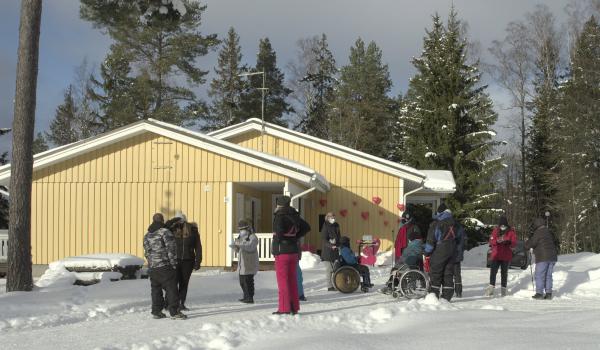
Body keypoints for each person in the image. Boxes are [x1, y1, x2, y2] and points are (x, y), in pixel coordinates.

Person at [143, 213, 187, 320]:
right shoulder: (165, 232)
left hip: (153, 267)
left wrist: (151, 263)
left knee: (156, 289)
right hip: (165, 265)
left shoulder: (147, 235)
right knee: (171, 288)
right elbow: (171, 249)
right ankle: (174, 312)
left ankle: (156, 311)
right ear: (162, 221)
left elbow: (147, 252)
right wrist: (173, 264)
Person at [272, 195, 311, 315]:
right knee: (292, 280)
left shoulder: (279, 216)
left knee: (283, 281)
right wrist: (295, 236)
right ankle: (294, 307)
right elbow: (307, 227)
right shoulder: (295, 215)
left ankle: (284, 308)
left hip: (282, 252)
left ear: (279, 205)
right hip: (294, 251)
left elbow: (279, 233)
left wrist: (282, 239)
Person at [424, 203, 464, 301]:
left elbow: (430, 241)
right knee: (448, 274)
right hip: (452, 251)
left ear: (440, 212)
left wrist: (427, 252)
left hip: (439, 251)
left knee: (436, 273)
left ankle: (433, 296)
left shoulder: (437, 224)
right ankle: (447, 297)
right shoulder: (456, 224)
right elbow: (461, 239)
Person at [166, 212, 202, 311]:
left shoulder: (192, 230)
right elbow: (164, 226)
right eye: (177, 220)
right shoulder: (171, 229)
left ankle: (181, 303)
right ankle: (171, 303)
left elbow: (198, 247)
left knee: (184, 283)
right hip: (175, 260)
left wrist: (198, 261)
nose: (180, 223)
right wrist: (173, 221)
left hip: (188, 261)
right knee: (173, 283)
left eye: (181, 220)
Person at [379, 228, 423, 294]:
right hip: (414, 267)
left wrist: (398, 264)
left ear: (411, 239)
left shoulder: (411, 247)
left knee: (395, 269)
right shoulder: (419, 245)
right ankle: (391, 286)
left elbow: (403, 258)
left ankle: (391, 286)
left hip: (409, 266)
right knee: (396, 269)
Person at [484, 216, 517, 297]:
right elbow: (491, 241)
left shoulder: (511, 232)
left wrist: (509, 242)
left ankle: (503, 289)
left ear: (506, 225)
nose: (503, 227)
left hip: (506, 256)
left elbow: (514, 243)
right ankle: (491, 288)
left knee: (504, 273)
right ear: (499, 225)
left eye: (504, 225)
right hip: (496, 255)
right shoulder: (495, 231)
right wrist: (497, 241)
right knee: (493, 272)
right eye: (501, 225)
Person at [526, 217, 558, 300]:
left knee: (539, 275)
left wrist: (527, 243)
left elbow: (532, 243)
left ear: (536, 225)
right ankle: (548, 293)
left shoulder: (538, 232)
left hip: (543, 257)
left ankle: (539, 293)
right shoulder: (549, 231)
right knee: (548, 276)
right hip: (552, 257)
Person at [230, 219, 259, 304]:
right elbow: (239, 248)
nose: (241, 231)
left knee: (248, 281)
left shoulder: (252, 237)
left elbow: (250, 246)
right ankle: (245, 296)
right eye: (240, 229)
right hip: (242, 263)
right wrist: (235, 247)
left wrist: (240, 245)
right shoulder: (240, 237)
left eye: (243, 229)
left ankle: (250, 297)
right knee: (242, 281)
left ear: (247, 228)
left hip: (249, 263)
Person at [321, 212, 340, 291]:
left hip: (335, 250)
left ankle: (335, 284)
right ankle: (329, 286)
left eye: (334, 216)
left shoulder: (337, 225)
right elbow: (324, 239)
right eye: (331, 217)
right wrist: (331, 245)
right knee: (329, 269)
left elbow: (339, 236)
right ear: (327, 218)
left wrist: (338, 244)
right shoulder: (325, 226)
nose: (333, 218)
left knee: (335, 269)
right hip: (327, 251)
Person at [453, 225, 467, 298]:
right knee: (457, 275)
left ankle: (448, 291)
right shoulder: (460, 228)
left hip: (448, 254)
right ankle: (458, 292)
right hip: (458, 254)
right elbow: (464, 242)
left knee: (447, 274)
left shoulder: (445, 226)